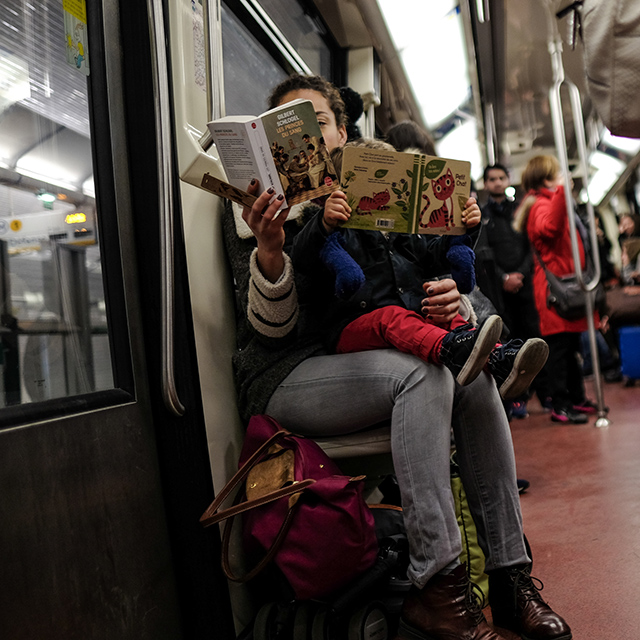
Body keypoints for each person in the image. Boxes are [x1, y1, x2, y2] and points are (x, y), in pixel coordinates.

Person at [223, 73, 571, 640]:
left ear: (340, 133)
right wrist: (269, 248)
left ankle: (510, 576)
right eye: (290, 126)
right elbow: (273, 334)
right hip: (289, 371)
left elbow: (407, 275)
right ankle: (438, 586)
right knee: (424, 376)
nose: (307, 136)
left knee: (472, 380)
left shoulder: (367, 189)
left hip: (372, 352)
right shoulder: (257, 202)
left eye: (319, 123)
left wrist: (449, 290)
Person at [291, 142, 549, 400]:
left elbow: (431, 257)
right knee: (390, 316)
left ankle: (499, 359)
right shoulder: (334, 227)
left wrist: (464, 229)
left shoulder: (399, 228)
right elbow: (303, 256)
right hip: (351, 326)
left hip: (405, 317)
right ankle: (450, 350)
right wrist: (324, 222)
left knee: (446, 317)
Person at [514, 155, 598, 425]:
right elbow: (550, 229)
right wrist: (563, 191)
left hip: (567, 284)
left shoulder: (549, 201)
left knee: (571, 346)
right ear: (547, 178)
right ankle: (559, 403)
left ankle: (576, 397)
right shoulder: (540, 204)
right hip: (554, 289)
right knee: (559, 350)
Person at [476, 163, 550, 416]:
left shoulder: (521, 211)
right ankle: (517, 398)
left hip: (527, 285)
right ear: (485, 184)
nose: (497, 182)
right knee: (510, 341)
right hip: (499, 290)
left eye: (501, 178)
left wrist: (520, 274)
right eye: (492, 179)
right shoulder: (481, 216)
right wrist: (504, 277)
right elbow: (485, 254)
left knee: (535, 338)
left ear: (508, 180)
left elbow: (532, 247)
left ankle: (545, 393)